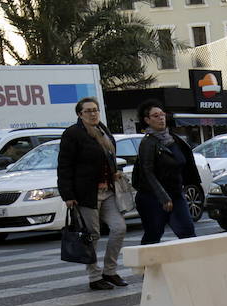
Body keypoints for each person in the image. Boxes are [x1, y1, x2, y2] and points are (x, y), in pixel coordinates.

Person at [57, 96, 128, 291]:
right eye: (88, 111)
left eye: (95, 110)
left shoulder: (103, 130)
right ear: (80, 114)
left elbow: (108, 156)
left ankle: (110, 271)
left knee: (119, 228)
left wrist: (113, 171)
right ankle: (94, 276)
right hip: (86, 193)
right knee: (92, 234)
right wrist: (68, 194)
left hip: (108, 191)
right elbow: (64, 166)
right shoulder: (73, 134)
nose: (93, 113)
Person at [132, 100, 199, 245]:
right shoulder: (148, 143)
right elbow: (147, 172)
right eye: (155, 116)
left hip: (176, 194)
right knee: (153, 235)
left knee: (188, 232)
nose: (161, 118)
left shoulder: (173, 139)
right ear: (147, 120)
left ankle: (192, 266)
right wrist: (163, 197)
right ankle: (145, 266)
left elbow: (184, 164)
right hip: (153, 197)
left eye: (162, 114)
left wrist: (186, 185)